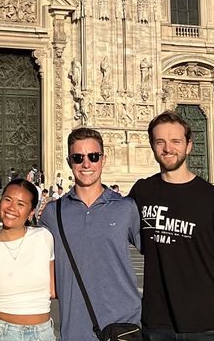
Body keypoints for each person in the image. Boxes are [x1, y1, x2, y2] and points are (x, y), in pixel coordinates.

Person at [129, 110, 214, 341]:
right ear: (152, 146)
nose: (168, 148)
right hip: (156, 324)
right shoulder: (141, 192)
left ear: (188, 146)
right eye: (160, 142)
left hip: (204, 325)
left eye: (176, 141)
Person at [41, 127, 142, 340]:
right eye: (78, 158)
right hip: (75, 330)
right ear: (69, 161)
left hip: (124, 326)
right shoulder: (53, 213)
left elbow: (159, 254)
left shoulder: (126, 207)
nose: (86, 164)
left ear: (103, 159)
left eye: (93, 157)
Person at [0, 178, 56, 341]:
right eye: (7, 200)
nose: (12, 208)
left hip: (42, 333)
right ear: (0, 203)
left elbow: (52, 289)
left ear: (31, 212)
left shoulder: (44, 237)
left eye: (21, 204)